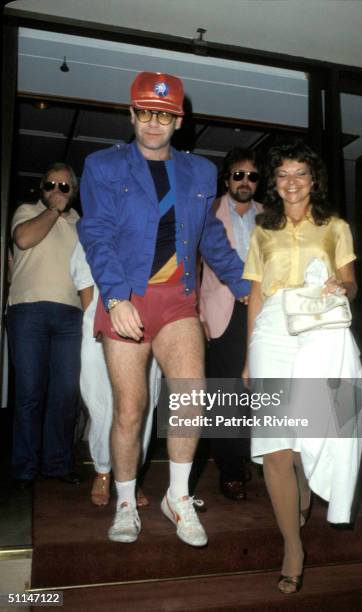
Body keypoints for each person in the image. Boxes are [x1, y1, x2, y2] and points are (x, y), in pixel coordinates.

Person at [78, 71, 249, 545]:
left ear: (179, 121)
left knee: (191, 396)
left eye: (165, 115)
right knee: (130, 410)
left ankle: (178, 498)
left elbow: (209, 235)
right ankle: (127, 503)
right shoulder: (103, 166)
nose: (154, 123)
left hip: (177, 299)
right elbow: (96, 234)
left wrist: (242, 284)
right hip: (127, 296)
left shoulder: (199, 172)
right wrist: (114, 298)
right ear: (132, 114)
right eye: (146, 113)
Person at [242, 141, 362, 594]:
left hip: (319, 325)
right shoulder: (261, 230)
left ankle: (307, 486)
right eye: (283, 175)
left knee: (306, 430)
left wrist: (340, 288)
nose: (291, 182)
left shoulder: (335, 227)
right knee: (275, 442)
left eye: (300, 174)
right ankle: (293, 546)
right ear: (273, 183)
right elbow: (255, 295)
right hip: (272, 329)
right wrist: (249, 356)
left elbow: (351, 285)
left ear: (314, 180)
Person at [7, 163, 82, 487]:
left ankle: (57, 464)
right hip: (29, 310)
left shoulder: (80, 223)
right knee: (29, 393)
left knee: (65, 394)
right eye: (51, 184)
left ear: (74, 192)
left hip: (71, 315)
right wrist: (53, 210)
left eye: (65, 187)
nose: (57, 190)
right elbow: (23, 240)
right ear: (42, 187)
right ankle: (24, 468)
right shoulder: (27, 211)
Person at [70, 242, 162, 507]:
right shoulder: (99, 221)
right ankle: (103, 469)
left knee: (142, 404)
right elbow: (85, 280)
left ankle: (131, 476)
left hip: (147, 321)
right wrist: (96, 322)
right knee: (101, 401)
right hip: (102, 319)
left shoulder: (155, 223)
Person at [200, 148, 262, 500]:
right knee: (225, 392)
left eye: (252, 176)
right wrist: (198, 314)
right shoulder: (209, 211)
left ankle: (250, 456)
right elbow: (193, 264)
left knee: (257, 389)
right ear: (227, 180)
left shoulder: (269, 217)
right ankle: (230, 468)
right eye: (238, 175)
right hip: (221, 312)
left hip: (261, 311)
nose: (245, 181)